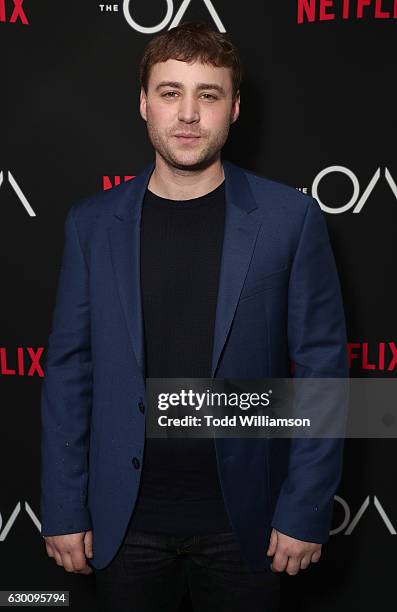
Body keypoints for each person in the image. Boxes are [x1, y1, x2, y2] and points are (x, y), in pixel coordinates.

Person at [40, 21, 348, 612]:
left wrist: (307, 506)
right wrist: (62, 504)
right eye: (169, 92)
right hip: (122, 524)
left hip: (248, 525)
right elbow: (69, 372)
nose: (187, 114)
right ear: (143, 103)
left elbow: (322, 370)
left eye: (208, 95)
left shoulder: (291, 219)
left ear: (233, 108)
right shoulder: (91, 223)